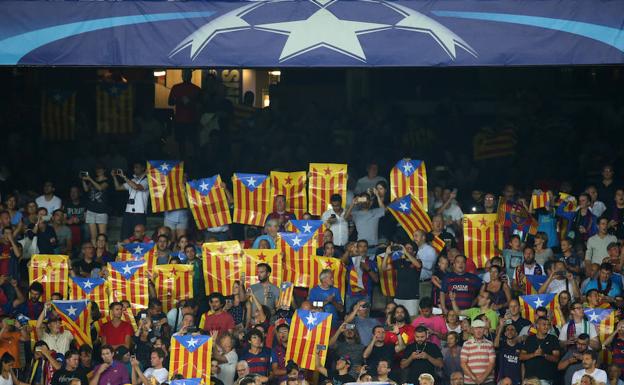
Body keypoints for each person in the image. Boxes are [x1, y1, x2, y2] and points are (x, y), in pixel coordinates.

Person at [382, 241, 422, 316]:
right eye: (405, 248)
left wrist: (405, 252)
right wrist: (387, 254)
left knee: (411, 319)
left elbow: (418, 265)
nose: (406, 249)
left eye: (409, 248)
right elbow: (384, 268)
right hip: (399, 296)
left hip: (412, 297)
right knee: (397, 319)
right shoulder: (399, 261)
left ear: (414, 252)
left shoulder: (418, 261)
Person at [111, 162, 149, 240]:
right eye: (134, 167)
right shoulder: (132, 180)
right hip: (128, 213)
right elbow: (118, 187)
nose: (135, 169)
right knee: (125, 236)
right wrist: (114, 177)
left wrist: (124, 177)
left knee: (139, 238)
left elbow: (136, 187)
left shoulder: (147, 180)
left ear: (143, 168)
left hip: (139, 214)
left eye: (137, 167)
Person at [519, 317, 561, 385]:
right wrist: (534, 354)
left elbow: (556, 359)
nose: (546, 327)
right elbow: (521, 357)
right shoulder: (529, 339)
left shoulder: (553, 339)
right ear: (537, 326)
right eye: (544, 324)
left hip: (546, 380)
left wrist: (544, 354)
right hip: (529, 380)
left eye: (548, 324)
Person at [168, 69, 201, 156]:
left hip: (191, 121)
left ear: (190, 75)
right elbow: (170, 102)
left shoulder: (196, 89)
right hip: (180, 120)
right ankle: (185, 162)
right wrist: (179, 100)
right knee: (182, 144)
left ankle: (193, 163)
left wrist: (190, 103)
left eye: (187, 73)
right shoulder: (177, 88)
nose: (185, 75)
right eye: (184, 73)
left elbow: (200, 106)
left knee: (193, 144)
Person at [460, 319, 496, 385]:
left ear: (484, 330)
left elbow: (492, 363)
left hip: (488, 381)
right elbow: (463, 363)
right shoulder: (466, 344)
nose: (478, 331)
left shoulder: (490, 344)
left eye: (481, 328)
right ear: (472, 330)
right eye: (476, 329)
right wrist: (474, 378)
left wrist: (482, 379)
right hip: (470, 382)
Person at [81, 164, 110, 242]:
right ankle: (95, 253)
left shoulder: (107, 180)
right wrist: (83, 180)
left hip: (102, 211)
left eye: (100, 169)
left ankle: (104, 253)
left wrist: (90, 179)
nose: (98, 171)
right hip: (91, 210)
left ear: (104, 170)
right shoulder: (94, 179)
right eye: (97, 169)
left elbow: (100, 188)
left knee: (102, 237)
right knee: (93, 237)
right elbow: (86, 189)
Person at [494, 321, 521, 385]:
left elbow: (522, 365)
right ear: (505, 333)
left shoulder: (520, 346)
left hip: (516, 381)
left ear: (516, 333)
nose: (510, 331)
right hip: (502, 380)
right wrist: (501, 327)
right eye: (507, 330)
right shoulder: (502, 344)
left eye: (512, 330)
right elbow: (495, 345)